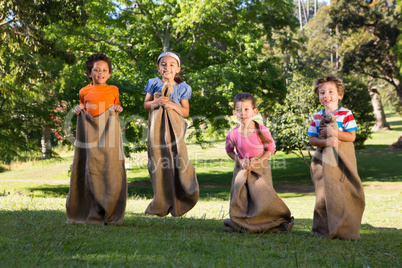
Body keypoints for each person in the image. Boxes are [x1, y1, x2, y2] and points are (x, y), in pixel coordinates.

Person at [66, 52, 127, 225]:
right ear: (89, 73)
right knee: (89, 169)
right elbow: (83, 107)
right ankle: (87, 209)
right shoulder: (84, 91)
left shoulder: (113, 89)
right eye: (97, 70)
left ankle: (110, 209)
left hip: (108, 135)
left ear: (109, 74)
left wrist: (118, 108)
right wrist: (78, 109)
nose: (101, 73)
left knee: (110, 168)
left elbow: (116, 105)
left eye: (104, 70)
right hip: (90, 135)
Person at [223, 93, 294, 233]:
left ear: (254, 111)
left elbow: (271, 149)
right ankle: (245, 222)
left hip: (260, 169)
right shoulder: (233, 134)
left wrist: (258, 161)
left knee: (262, 197)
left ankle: (269, 220)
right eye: (239, 110)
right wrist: (240, 160)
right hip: (243, 169)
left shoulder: (261, 130)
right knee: (242, 197)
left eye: (246, 109)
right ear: (234, 112)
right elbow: (230, 151)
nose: (242, 113)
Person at [307, 75, 365, 240]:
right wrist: (326, 141)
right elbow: (312, 140)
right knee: (324, 195)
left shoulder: (346, 114)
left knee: (343, 192)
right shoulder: (316, 117)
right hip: (324, 162)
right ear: (318, 96)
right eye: (322, 92)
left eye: (331, 91)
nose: (326, 95)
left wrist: (333, 132)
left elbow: (351, 137)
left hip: (342, 161)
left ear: (339, 95)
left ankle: (345, 230)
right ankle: (322, 230)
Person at [143, 51, 199, 217]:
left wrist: (172, 105)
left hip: (174, 130)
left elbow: (185, 111)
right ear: (159, 68)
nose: (167, 67)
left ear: (178, 69)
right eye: (164, 64)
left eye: (171, 64)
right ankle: (160, 202)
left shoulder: (183, 88)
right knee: (158, 162)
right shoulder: (153, 83)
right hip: (157, 130)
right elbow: (146, 105)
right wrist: (158, 101)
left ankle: (183, 196)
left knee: (177, 161)